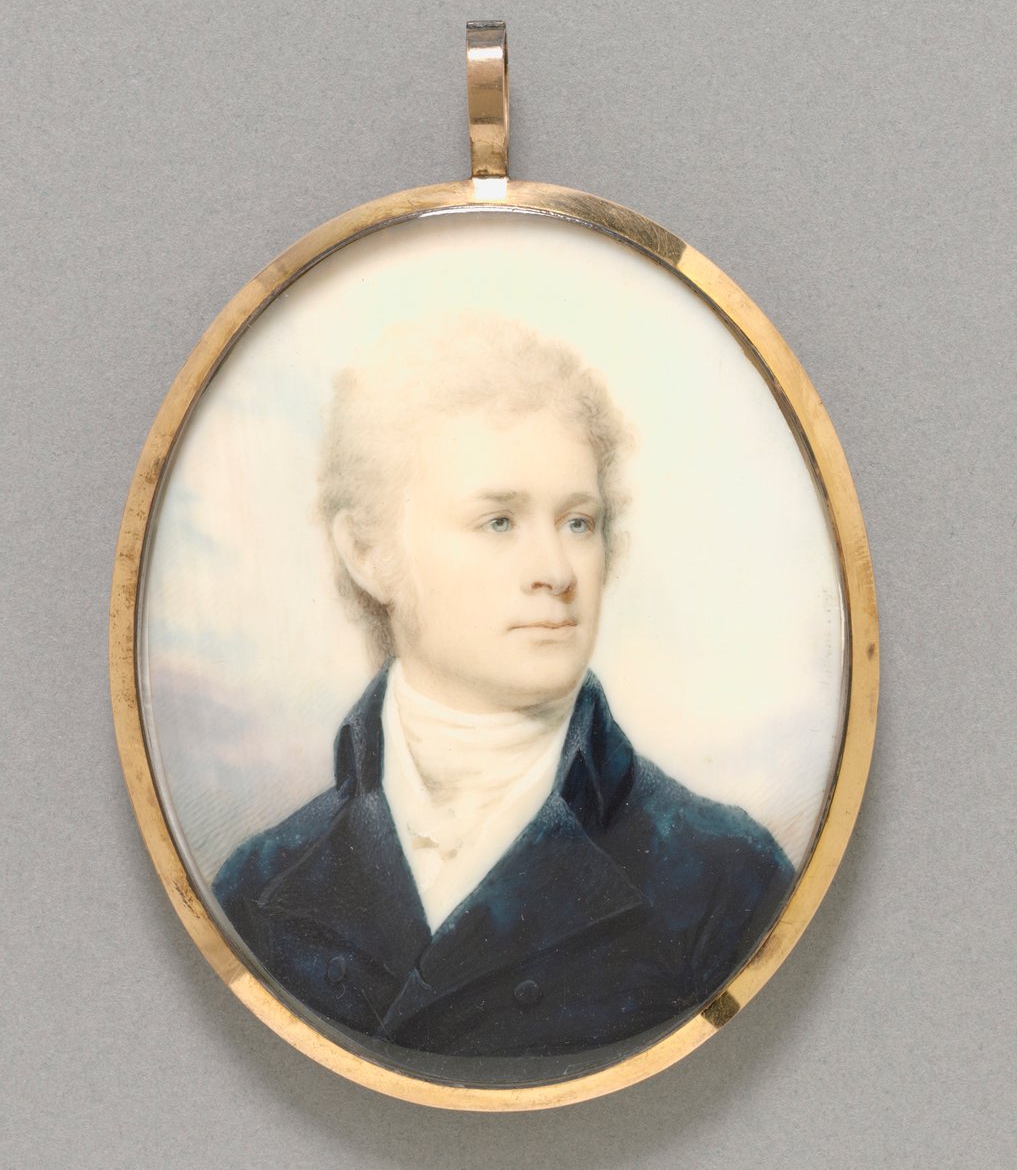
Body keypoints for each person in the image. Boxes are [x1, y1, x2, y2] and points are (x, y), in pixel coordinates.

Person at [213, 312, 793, 1062]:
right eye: (498, 522)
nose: (555, 571)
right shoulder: (257, 889)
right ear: (367, 552)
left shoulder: (725, 880)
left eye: (578, 522)